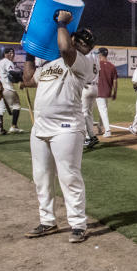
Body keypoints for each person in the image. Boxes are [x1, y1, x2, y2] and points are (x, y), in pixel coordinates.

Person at [21, 13, 96, 244]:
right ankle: (47, 221)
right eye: (80, 38)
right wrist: (31, 49)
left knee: (69, 176)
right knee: (41, 177)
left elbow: (65, 49)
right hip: (41, 128)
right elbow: (28, 79)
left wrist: (61, 23)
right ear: (75, 38)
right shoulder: (53, 63)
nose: (82, 42)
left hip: (66, 128)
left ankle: (78, 224)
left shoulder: (83, 62)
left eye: (85, 41)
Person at [0, 47, 24, 135]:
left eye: (13, 53)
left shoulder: (0, 62)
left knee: (0, 108)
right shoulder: (8, 62)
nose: (12, 55)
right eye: (10, 53)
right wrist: (21, 77)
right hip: (7, 88)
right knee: (17, 105)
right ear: (5, 54)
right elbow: (11, 72)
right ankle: (14, 126)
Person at [96, 47, 117, 138]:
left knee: (102, 110)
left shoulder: (96, 65)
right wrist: (114, 93)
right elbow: (115, 81)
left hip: (97, 91)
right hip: (107, 91)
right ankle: (100, 127)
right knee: (103, 109)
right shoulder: (112, 66)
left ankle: (108, 130)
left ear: (100, 54)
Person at [81, 49, 100, 149]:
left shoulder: (85, 56)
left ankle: (88, 137)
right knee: (89, 113)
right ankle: (92, 135)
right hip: (95, 86)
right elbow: (98, 70)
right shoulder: (95, 56)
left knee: (83, 113)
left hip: (86, 87)